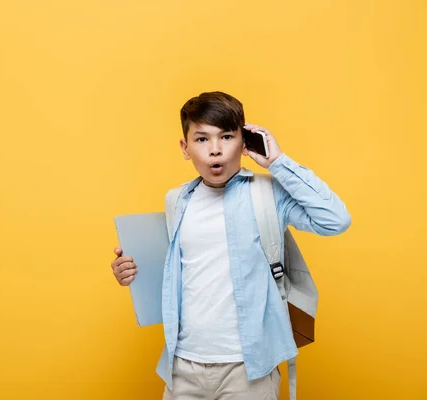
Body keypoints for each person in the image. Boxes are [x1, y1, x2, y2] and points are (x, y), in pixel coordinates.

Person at [110, 91, 351, 399]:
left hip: (248, 368)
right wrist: (130, 272)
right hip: (183, 365)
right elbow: (177, 274)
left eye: (226, 137)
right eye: (201, 139)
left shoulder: (267, 194)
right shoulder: (177, 200)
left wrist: (277, 161)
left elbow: (335, 220)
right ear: (185, 148)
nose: (215, 150)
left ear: (244, 142)